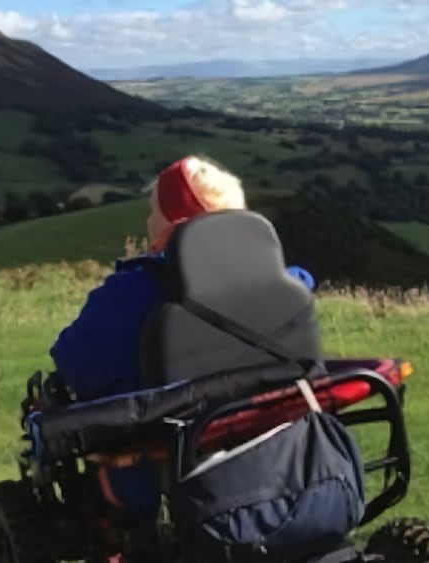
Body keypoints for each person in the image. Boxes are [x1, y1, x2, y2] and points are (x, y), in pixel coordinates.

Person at [49, 155, 315, 527]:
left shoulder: (132, 293)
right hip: (294, 466)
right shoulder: (290, 285)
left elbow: (75, 366)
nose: (146, 220)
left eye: (152, 211)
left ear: (172, 221)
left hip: (169, 487)